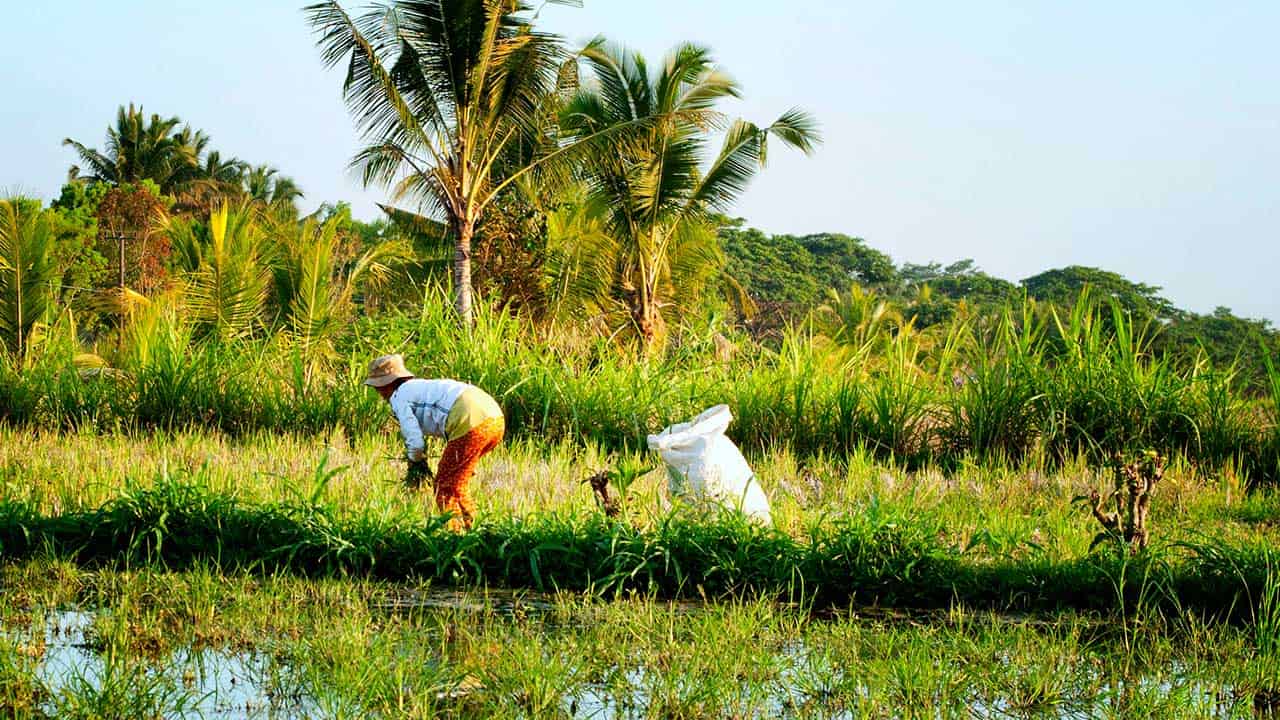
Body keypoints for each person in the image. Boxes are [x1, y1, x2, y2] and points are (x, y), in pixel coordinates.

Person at [364, 354, 504, 530]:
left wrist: (415, 461)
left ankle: (455, 537)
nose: (379, 393)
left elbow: (414, 441)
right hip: (495, 418)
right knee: (457, 484)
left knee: (444, 486)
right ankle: (476, 531)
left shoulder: (399, 397)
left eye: (378, 387)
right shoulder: (422, 387)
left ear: (387, 385)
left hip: (470, 419)